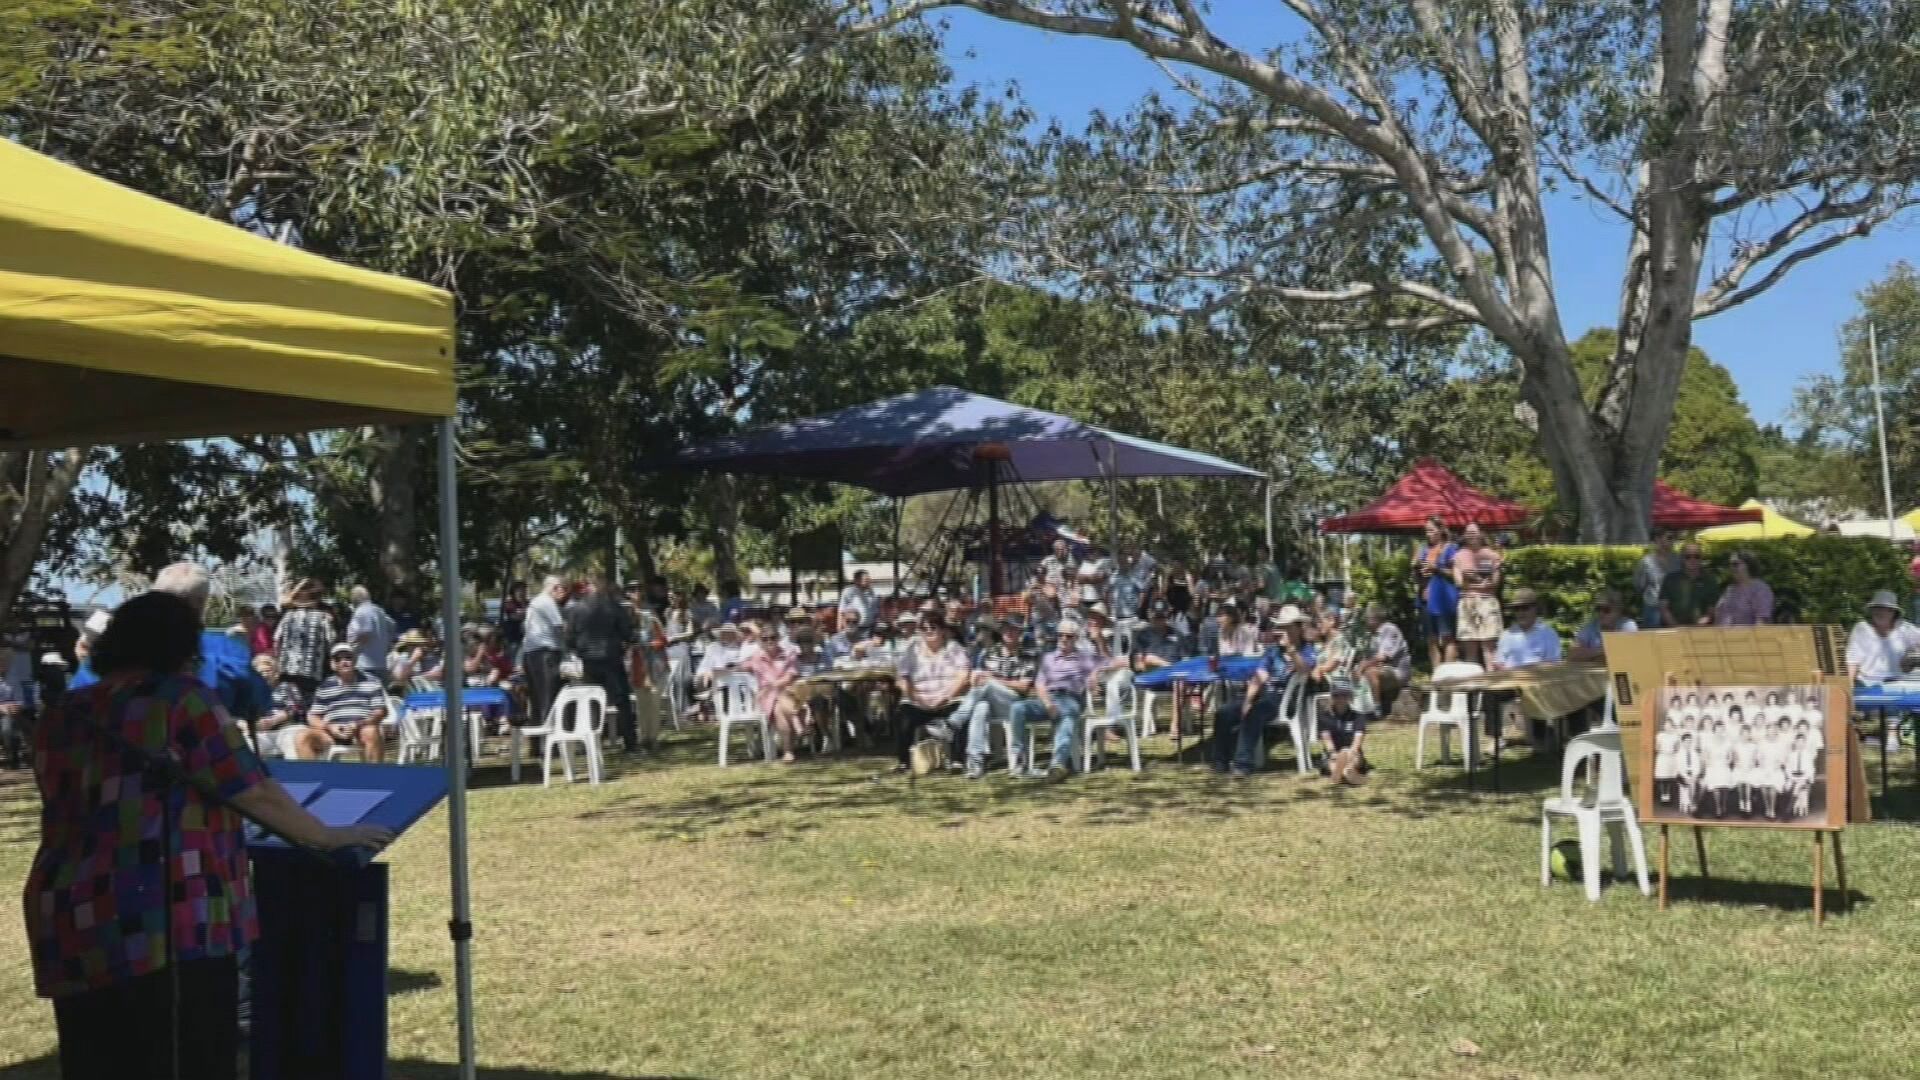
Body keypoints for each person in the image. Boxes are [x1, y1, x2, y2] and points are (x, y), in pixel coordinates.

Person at [23, 591, 391, 1080]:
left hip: (71, 908)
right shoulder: (183, 700)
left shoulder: (63, 712)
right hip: (165, 916)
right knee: (186, 1056)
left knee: (93, 1057)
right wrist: (326, 837)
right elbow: (251, 789)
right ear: (179, 645)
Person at [152, 563, 274, 729]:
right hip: (201, 746)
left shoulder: (118, 651)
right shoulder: (226, 651)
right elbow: (258, 703)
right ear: (202, 603)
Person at [1211, 614, 1315, 777]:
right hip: (1267, 695)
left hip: (1287, 699)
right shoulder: (1273, 651)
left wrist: (1292, 651)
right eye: (1281, 627)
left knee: (1255, 713)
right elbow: (1259, 677)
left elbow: (1306, 671)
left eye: (1287, 627)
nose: (1282, 631)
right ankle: (1220, 761)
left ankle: (1243, 764)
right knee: (1224, 712)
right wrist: (1248, 700)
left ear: (1297, 628)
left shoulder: (1306, 649)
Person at [1027, 618, 1124, 781]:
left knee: (1068, 712)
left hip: (1070, 698)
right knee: (1017, 709)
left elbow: (1121, 662)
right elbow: (1039, 685)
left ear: (1076, 639)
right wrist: (1047, 703)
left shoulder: (1084, 658)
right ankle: (1019, 763)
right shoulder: (1048, 658)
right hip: (1048, 699)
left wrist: (1097, 671)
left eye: (1069, 636)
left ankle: (1058, 764)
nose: (1064, 639)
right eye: (1060, 635)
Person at [954, 616, 1036, 778]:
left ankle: (955, 721)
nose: (1010, 632)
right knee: (980, 707)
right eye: (1006, 628)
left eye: (1014, 629)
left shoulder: (1028, 654)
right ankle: (976, 763)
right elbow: (978, 682)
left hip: (1015, 704)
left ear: (1020, 632)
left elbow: (1024, 687)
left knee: (989, 685)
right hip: (992, 703)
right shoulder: (989, 653)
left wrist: (994, 680)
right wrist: (976, 678)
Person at [566, 574, 639, 753]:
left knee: (591, 701)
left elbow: (569, 638)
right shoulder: (614, 607)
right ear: (604, 587)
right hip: (611, 658)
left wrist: (579, 651)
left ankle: (591, 742)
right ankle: (630, 742)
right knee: (622, 701)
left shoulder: (576, 609)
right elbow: (627, 633)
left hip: (588, 660)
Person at [892, 617, 973, 771]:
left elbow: (963, 675)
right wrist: (914, 696)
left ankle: (957, 760)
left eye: (933, 627)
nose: (929, 630)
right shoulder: (912, 649)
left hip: (948, 699)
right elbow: (901, 677)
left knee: (961, 714)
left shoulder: (953, 648)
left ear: (943, 630)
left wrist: (946, 696)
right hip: (918, 700)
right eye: (924, 628)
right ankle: (904, 762)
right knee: (903, 716)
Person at [309, 643, 389, 762]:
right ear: (332, 664)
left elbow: (380, 712)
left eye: (348, 657)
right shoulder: (325, 686)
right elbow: (313, 716)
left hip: (362, 729)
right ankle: (312, 777)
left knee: (371, 731)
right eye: (338, 659)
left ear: (355, 660)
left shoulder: (371, 681)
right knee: (302, 737)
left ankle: (373, 777)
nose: (344, 662)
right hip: (332, 731)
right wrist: (329, 727)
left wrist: (358, 724)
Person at [743, 625, 810, 762]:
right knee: (778, 700)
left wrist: (774, 685)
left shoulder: (788, 654)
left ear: (778, 638)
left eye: (773, 638)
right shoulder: (757, 658)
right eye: (765, 639)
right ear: (760, 641)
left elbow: (790, 676)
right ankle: (796, 721)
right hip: (767, 697)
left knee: (780, 706)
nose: (769, 641)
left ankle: (788, 751)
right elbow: (742, 666)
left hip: (787, 692)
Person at [273, 578, 336, 716]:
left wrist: (279, 663)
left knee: (289, 703)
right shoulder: (324, 617)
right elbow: (330, 641)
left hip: (287, 671)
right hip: (312, 672)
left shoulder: (288, 616)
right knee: (310, 706)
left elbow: (276, 641)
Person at [250, 654, 330, 760]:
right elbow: (241, 716)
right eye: (260, 673)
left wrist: (272, 721)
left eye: (268, 671)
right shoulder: (252, 693)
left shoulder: (287, 687)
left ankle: (298, 775)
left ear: (276, 673)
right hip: (263, 733)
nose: (265, 675)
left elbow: (295, 708)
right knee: (247, 745)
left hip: (288, 728)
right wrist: (249, 725)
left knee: (291, 743)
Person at [520, 575, 569, 730]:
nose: (565, 594)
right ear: (556, 587)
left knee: (537, 698)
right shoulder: (547, 602)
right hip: (545, 654)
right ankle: (550, 739)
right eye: (564, 589)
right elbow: (560, 628)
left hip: (531, 653)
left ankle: (538, 742)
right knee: (549, 696)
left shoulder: (535, 603)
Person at [1450, 522, 1503, 666]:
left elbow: (1496, 581)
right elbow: (1458, 582)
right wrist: (1474, 581)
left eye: (1474, 532)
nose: (1471, 535)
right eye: (1468, 532)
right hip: (1467, 603)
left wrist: (1485, 583)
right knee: (1470, 647)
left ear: (1482, 534)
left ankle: (1494, 684)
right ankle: (1474, 684)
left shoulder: (1492, 555)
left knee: (1489, 647)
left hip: (1488, 603)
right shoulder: (1458, 556)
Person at [1847, 590, 1920, 683]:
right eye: (1876, 608)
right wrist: (1848, 687)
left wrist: (1913, 656)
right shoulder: (1861, 629)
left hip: (1899, 682)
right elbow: (1852, 661)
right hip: (1867, 683)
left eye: (1883, 609)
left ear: (1893, 612)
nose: (1879, 612)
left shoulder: (1904, 628)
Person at [1353, 603, 1411, 718]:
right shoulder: (1371, 634)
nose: (1365, 621)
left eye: (1367, 618)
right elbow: (1371, 658)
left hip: (1397, 672)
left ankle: (1377, 710)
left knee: (1370, 672)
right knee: (1357, 670)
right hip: (1383, 669)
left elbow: (1383, 657)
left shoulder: (1389, 629)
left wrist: (1363, 665)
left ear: (1375, 619)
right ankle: (1360, 708)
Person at [1492, 589, 1561, 670]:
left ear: (1535, 608)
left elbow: (1554, 665)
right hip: (1510, 680)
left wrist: (1527, 669)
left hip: (1539, 680)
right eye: (1516, 609)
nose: (1520, 613)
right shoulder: (1506, 635)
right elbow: (1499, 664)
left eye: (1525, 608)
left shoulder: (1548, 634)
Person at [1318, 677, 1369, 784]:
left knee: (1349, 754)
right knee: (1333, 760)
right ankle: (1347, 773)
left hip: (1353, 753)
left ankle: (1340, 774)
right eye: (1336, 695)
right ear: (1332, 697)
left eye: (1344, 695)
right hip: (1332, 754)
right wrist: (1333, 753)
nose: (1340, 699)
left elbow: (1357, 741)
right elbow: (1327, 740)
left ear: (1350, 696)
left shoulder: (1358, 717)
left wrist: (1350, 752)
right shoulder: (1324, 717)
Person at [345, 584, 397, 685]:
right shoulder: (378, 610)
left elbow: (366, 634)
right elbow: (392, 625)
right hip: (381, 663)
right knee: (381, 697)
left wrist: (352, 651)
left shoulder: (362, 611)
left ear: (354, 598)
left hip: (365, 665)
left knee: (366, 697)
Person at [1659, 542, 1720, 628]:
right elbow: (1664, 608)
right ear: (1682, 558)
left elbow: (1712, 609)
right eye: (1688, 557)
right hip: (1673, 631)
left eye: (1697, 556)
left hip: (1701, 631)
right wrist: (1676, 628)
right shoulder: (1670, 579)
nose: (1692, 560)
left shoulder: (1710, 581)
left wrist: (1700, 625)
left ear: (1701, 558)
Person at [1569, 589, 1638, 662]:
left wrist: (1589, 655)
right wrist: (1601, 651)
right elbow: (1572, 654)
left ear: (1618, 611)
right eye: (1598, 609)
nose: (1601, 613)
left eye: (1606, 610)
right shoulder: (1592, 626)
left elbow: (1624, 656)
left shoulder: (1627, 625)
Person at [1713, 550, 1774, 626]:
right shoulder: (1730, 590)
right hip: (1723, 636)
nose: (1731, 568)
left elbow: (1762, 623)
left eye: (1735, 564)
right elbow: (1719, 616)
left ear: (1748, 565)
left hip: (1746, 637)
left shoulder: (1760, 590)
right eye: (1730, 564)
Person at [1634, 533, 1681, 628]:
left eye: (1673, 538)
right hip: (1653, 608)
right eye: (1669, 537)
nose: (1672, 541)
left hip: (1674, 609)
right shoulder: (1646, 562)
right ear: (1658, 540)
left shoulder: (1678, 560)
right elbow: (1639, 585)